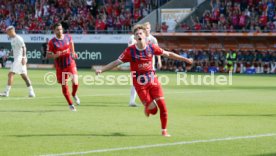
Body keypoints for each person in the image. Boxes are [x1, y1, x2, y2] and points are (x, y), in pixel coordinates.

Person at [96, 24, 193, 137]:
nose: (139, 35)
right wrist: (102, 70)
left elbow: (168, 54)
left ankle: (164, 131)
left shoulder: (151, 47)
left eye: (140, 33)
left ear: (145, 35)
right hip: (140, 84)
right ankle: (148, 108)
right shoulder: (130, 51)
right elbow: (116, 62)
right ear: (135, 38)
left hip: (153, 80)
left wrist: (184, 59)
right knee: (154, 110)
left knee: (162, 105)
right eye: (136, 34)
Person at [47, 23, 80, 111]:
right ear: (54, 31)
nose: (60, 31)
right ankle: (70, 104)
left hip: (70, 63)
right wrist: (55, 55)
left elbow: (71, 43)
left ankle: (73, 94)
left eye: (61, 29)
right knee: (64, 86)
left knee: (76, 82)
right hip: (60, 67)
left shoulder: (68, 37)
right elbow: (48, 55)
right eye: (58, 29)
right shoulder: (52, 42)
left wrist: (73, 52)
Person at [128, 22, 162, 107]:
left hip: (150, 64)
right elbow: (131, 47)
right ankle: (132, 101)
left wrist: (159, 61)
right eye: (145, 28)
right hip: (137, 65)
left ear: (150, 29)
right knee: (135, 82)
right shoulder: (136, 37)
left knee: (151, 83)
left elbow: (158, 51)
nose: (146, 29)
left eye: (148, 28)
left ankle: (150, 100)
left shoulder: (153, 39)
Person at [0, 26, 35, 97]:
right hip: (18, 59)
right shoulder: (12, 39)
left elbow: (24, 48)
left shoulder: (19, 38)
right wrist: (8, 55)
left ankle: (6, 92)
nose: (7, 33)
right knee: (24, 76)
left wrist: (23, 58)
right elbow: (13, 49)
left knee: (10, 74)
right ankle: (31, 92)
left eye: (7, 32)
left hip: (19, 59)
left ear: (11, 31)